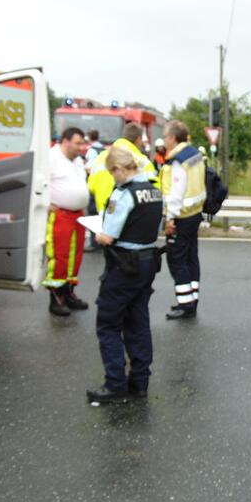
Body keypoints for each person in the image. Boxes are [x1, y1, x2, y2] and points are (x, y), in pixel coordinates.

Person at [86, 147, 164, 404]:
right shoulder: (154, 191)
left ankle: (115, 384)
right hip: (147, 262)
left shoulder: (123, 194)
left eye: (112, 172)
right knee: (138, 321)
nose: (113, 177)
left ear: (119, 169)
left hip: (123, 266)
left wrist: (98, 233)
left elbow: (108, 236)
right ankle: (140, 381)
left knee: (108, 324)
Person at [160, 120, 206, 320]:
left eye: (165, 136)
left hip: (181, 215)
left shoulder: (177, 160)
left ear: (173, 137)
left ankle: (185, 304)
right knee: (191, 257)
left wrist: (170, 218)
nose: (164, 139)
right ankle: (192, 298)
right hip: (195, 213)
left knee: (177, 260)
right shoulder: (195, 154)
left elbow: (177, 191)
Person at [45, 127, 90, 316]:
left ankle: (69, 292)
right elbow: (38, 182)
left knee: (75, 256)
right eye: (78, 143)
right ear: (65, 141)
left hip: (77, 214)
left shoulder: (77, 161)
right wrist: (45, 203)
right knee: (60, 256)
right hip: (60, 214)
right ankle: (56, 298)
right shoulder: (51, 158)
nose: (82, 147)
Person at [87, 122, 157, 214]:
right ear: (139, 139)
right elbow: (155, 193)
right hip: (132, 218)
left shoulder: (100, 157)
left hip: (102, 215)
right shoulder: (143, 162)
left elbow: (91, 186)